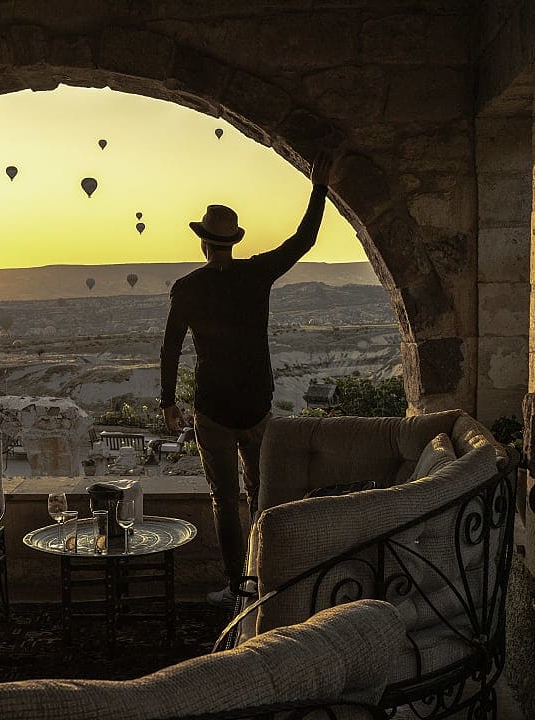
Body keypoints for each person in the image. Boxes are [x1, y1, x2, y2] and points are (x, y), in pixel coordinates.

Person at [158, 151, 334, 608]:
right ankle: (263, 579)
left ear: (203, 242)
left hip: (212, 407)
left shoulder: (189, 287)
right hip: (257, 405)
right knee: (261, 494)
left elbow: (172, 346)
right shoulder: (257, 274)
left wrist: (167, 402)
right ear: (232, 241)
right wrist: (319, 185)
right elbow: (304, 239)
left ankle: (235, 586)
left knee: (224, 500)